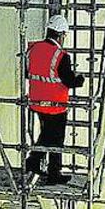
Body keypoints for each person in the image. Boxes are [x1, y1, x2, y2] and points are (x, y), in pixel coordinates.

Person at [24, 14, 84, 185]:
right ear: (60, 34)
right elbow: (69, 81)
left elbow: (27, 72)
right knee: (56, 139)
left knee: (47, 134)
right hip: (56, 105)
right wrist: (80, 79)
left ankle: (34, 162)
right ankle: (52, 173)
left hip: (36, 102)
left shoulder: (33, 48)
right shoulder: (61, 56)